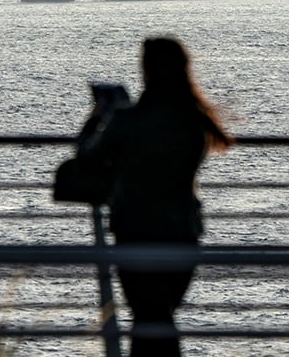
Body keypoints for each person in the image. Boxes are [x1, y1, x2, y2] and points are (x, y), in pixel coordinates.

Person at [77, 36, 233, 356]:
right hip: (182, 234)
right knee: (157, 319)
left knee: (149, 320)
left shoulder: (126, 121)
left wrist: (98, 118)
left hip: (135, 232)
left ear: (145, 71)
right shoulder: (195, 121)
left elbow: (87, 155)